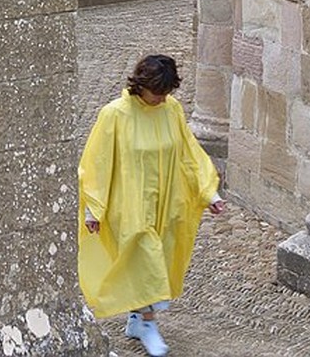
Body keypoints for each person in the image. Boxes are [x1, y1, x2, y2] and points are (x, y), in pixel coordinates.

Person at [77, 54, 225, 357]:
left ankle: (135, 319)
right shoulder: (115, 115)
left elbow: (188, 152)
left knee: (158, 260)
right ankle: (147, 323)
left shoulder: (171, 110)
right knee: (146, 263)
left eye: (166, 92)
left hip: (167, 203)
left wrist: (209, 192)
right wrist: (95, 209)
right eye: (157, 92)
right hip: (129, 207)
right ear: (141, 85)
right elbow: (97, 163)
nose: (161, 98)